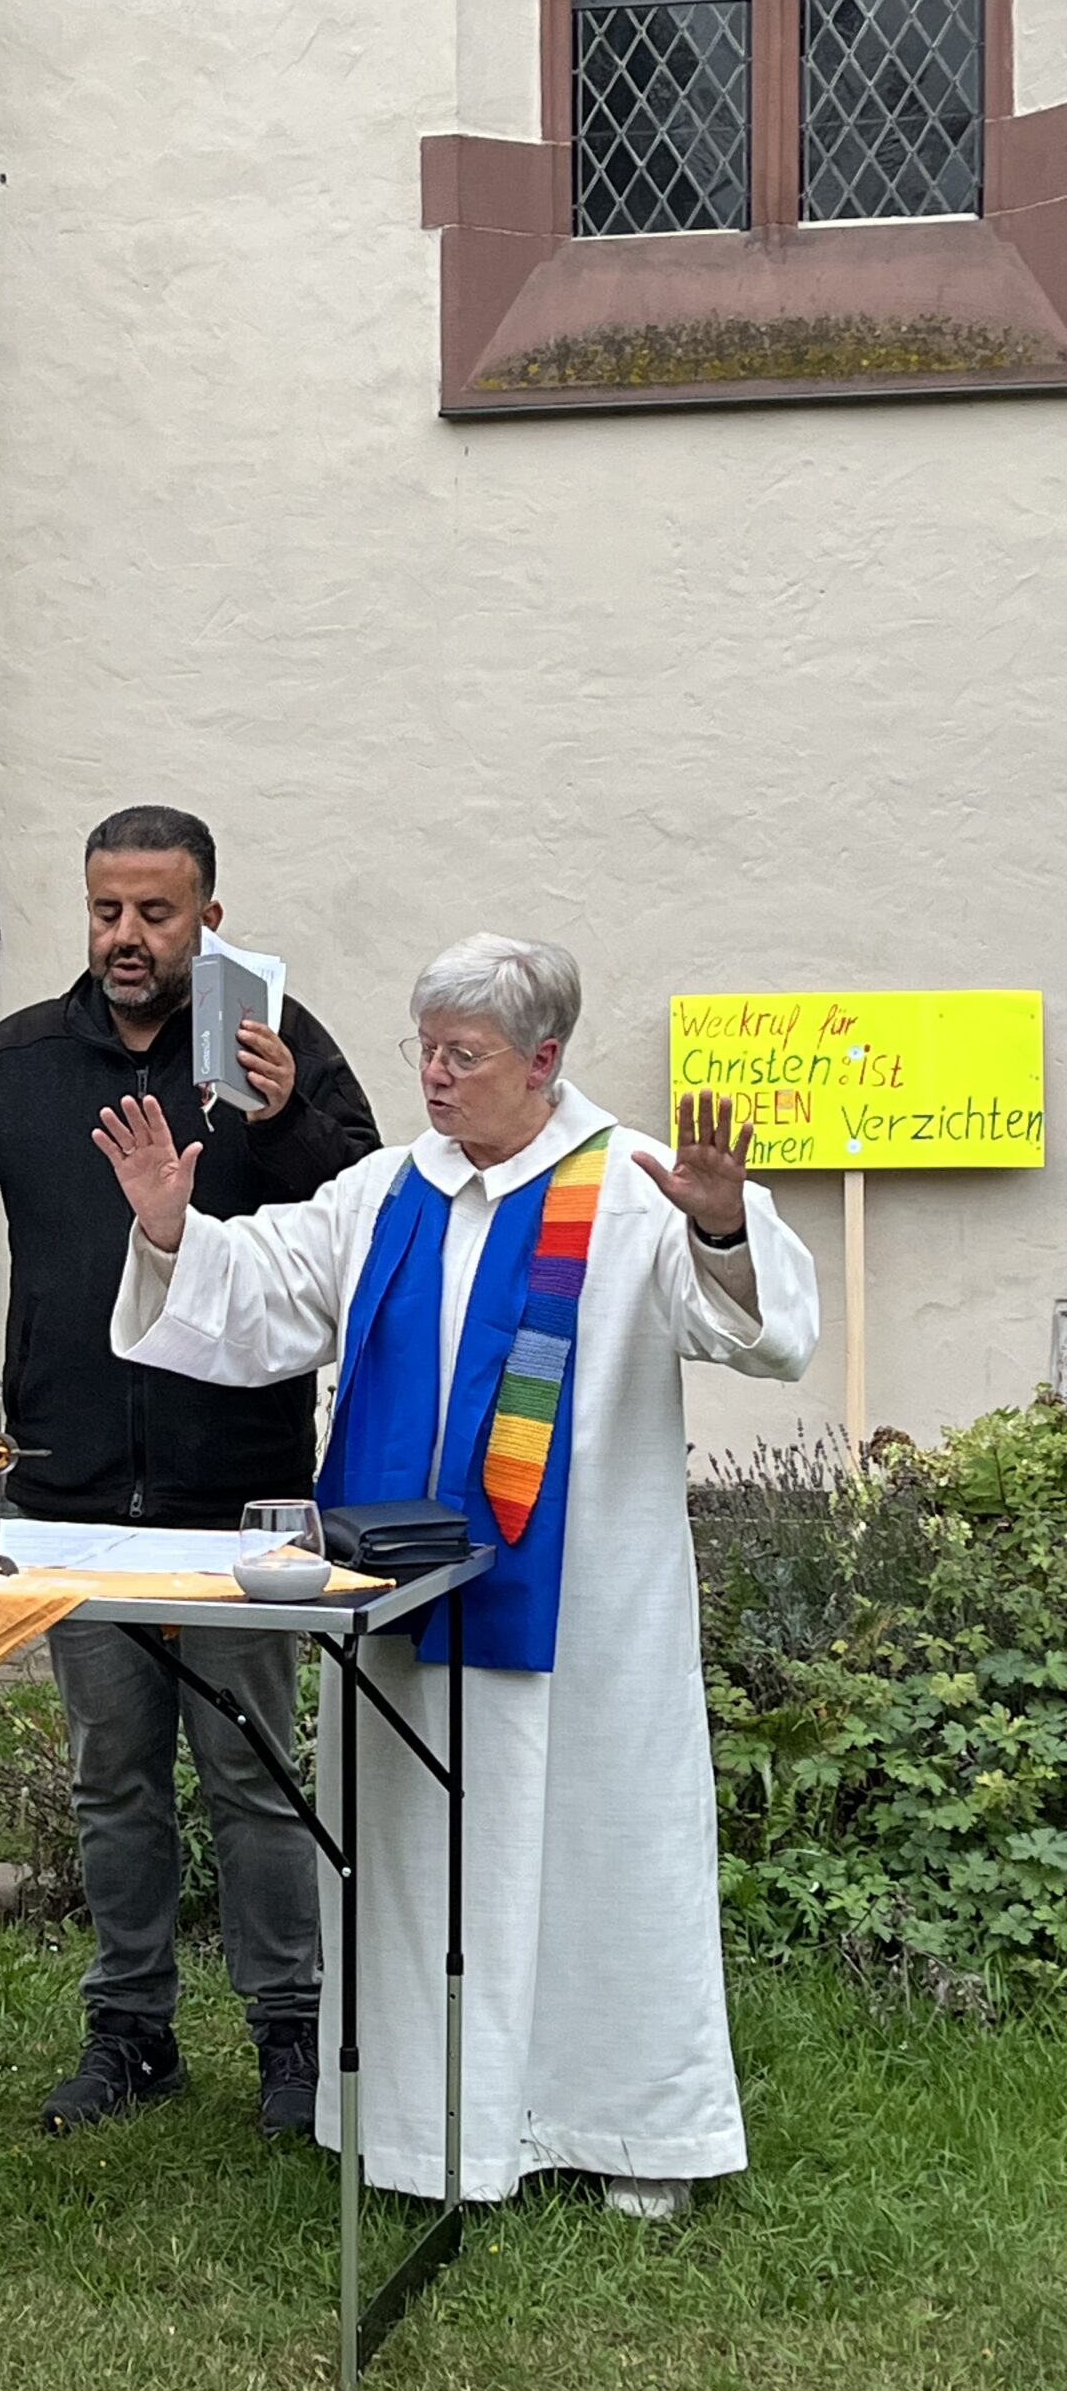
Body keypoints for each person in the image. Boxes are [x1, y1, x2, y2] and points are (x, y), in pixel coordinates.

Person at [97, 933, 819, 2217]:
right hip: (401, 1610)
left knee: (598, 1853)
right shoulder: (386, 1193)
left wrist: (718, 1221)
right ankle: (426, 2135)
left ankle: (623, 2133)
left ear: (544, 1061)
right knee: (417, 1853)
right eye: (423, 1048)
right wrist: (172, 1229)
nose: (433, 1076)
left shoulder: (635, 1183)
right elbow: (264, 1292)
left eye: (463, 1055)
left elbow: (759, 1334)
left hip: (583, 1613)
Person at [0, 804, 381, 2138]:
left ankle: (290, 2038)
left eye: (157, 913)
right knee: (112, 1780)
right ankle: (131, 2032)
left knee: (253, 1782)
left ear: (210, 919)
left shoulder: (270, 1056)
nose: (127, 938)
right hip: (70, 1495)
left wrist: (288, 1115)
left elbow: (360, 1202)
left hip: (232, 1496)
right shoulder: (18, 1063)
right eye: (107, 911)